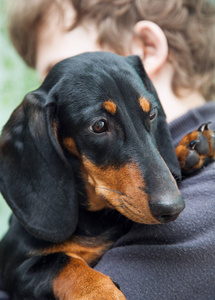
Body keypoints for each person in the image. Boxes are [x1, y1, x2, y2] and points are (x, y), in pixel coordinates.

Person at [1, 0, 215, 299]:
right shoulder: (48, 205)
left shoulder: (207, 201)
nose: (57, 80)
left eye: (71, 60)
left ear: (147, 47)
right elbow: (21, 268)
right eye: (100, 126)